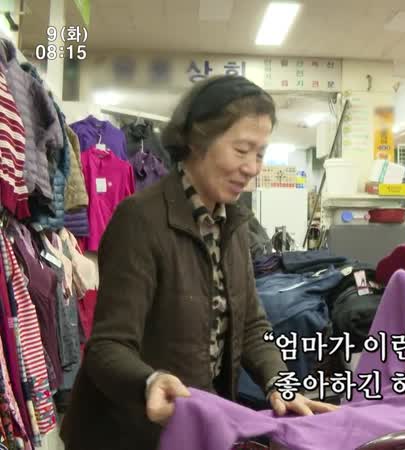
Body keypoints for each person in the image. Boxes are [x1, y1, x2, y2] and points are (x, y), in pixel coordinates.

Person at [60, 75, 336, 450]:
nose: (253, 168)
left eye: (259, 154)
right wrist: (149, 381)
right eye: (242, 150)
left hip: (198, 430)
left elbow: (252, 326)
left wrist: (281, 385)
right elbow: (108, 346)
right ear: (196, 140)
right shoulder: (140, 220)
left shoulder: (234, 224)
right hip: (128, 436)